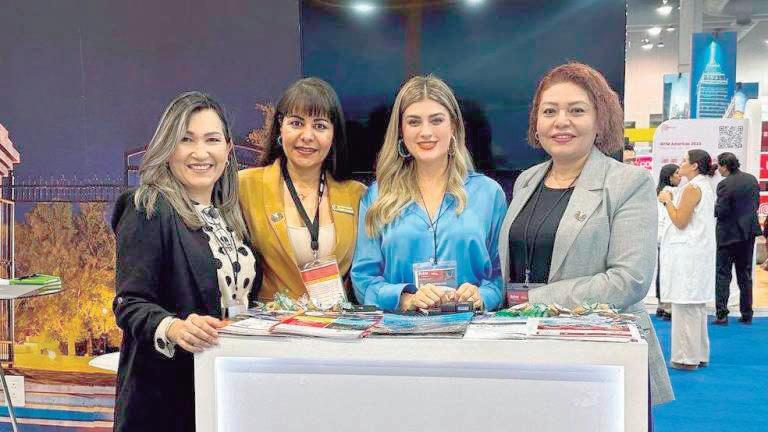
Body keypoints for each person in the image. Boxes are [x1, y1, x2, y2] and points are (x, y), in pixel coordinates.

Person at [498, 63, 673, 409]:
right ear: (536, 123)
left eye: (576, 111)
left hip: (598, 353)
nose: (561, 121)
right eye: (549, 111)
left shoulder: (628, 183)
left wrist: (536, 300)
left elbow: (629, 281)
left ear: (599, 120)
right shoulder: (527, 180)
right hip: (525, 346)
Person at [112, 91, 260, 431]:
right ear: (168, 148)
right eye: (186, 139)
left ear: (228, 150)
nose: (200, 152)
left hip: (225, 389)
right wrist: (175, 327)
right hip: (165, 401)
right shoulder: (147, 206)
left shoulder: (231, 216)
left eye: (212, 140)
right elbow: (129, 303)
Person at [352, 75, 506, 312]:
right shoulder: (376, 197)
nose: (426, 132)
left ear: (453, 126)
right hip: (400, 330)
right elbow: (364, 280)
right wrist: (407, 299)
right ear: (401, 131)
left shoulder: (489, 194)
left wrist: (481, 295)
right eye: (414, 122)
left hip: (471, 328)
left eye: (436, 120)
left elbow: (501, 276)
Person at [239, 78, 366, 304]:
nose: (307, 136)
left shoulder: (357, 195)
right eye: (297, 123)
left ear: (334, 134)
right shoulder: (244, 186)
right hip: (271, 322)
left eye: (320, 126)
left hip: (335, 322)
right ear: (280, 127)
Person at [658, 149, 716, 370]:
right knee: (695, 306)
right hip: (696, 252)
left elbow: (680, 221)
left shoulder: (692, 188)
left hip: (689, 254)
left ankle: (685, 357)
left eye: (684, 160)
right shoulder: (703, 186)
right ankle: (698, 353)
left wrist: (667, 202)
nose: (680, 164)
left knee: (685, 305)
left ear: (694, 165)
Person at [713, 152, 760, 325]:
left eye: (719, 166)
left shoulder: (724, 184)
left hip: (728, 235)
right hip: (747, 234)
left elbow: (721, 211)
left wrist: (715, 209)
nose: (718, 170)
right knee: (745, 274)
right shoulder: (752, 179)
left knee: (723, 275)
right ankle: (747, 313)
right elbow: (755, 204)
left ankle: (721, 315)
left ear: (725, 166)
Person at [655, 164, 681, 319]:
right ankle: (668, 306)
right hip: (669, 237)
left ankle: (662, 304)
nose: (680, 176)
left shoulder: (658, 192)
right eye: (677, 173)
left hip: (661, 237)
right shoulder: (671, 193)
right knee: (670, 272)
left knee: (663, 271)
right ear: (669, 177)